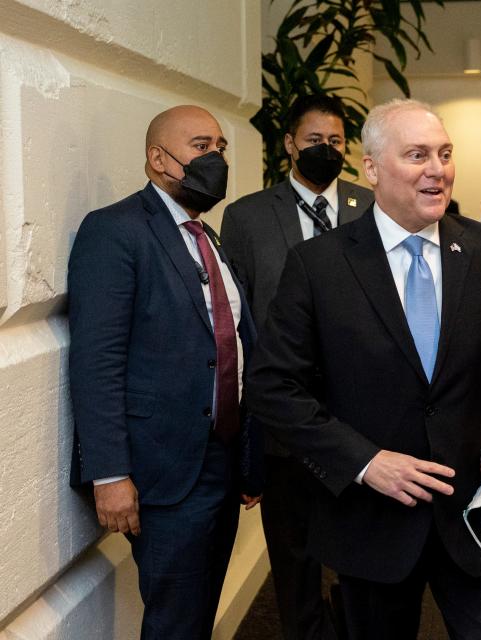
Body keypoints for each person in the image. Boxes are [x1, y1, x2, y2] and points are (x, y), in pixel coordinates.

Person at [246, 99, 481, 639]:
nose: (437, 169)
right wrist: (364, 461)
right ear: (373, 168)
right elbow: (272, 388)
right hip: (372, 522)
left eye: (445, 154)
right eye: (417, 155)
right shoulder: (320, 265)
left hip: (474, 514)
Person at [68, 105, 262, 639]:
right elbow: (96, 359)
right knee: (175, 621)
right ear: (159, 158)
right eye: (201, 147)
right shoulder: (115, 231)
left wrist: (246, 455)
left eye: (221, 147)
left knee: (198, 615)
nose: (216, 159)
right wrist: (109, 475)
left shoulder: (207, 237)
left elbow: (231, 344)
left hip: (220, 463)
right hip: (163, 472)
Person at [220, 93, 373, 640]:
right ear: (289, 144)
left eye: (335, 142)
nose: (325, 150)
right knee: (292, 556)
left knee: (366, 555)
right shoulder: (246, 218)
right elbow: (238, 320)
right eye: (314, 141)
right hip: (284, 419)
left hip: (363, 417)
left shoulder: (373, 207)